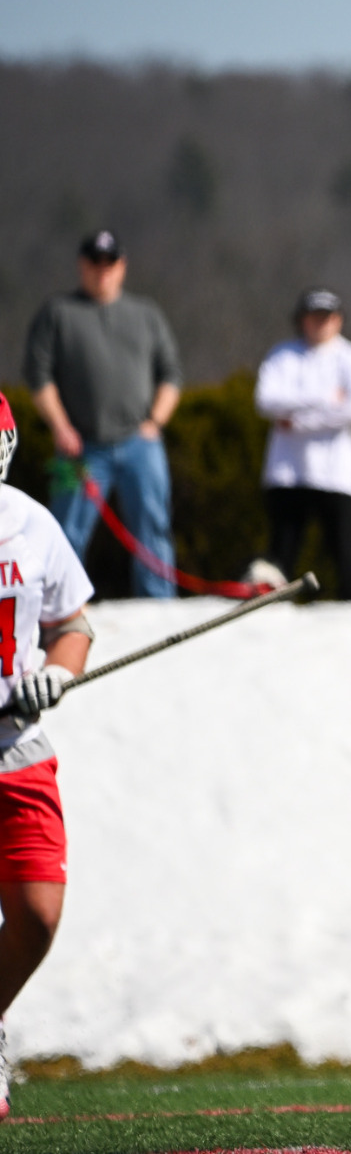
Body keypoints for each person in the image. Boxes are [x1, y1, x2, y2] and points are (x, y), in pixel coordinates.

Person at [0, 391, 95, 1118]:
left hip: (16, 749)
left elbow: (72, 625)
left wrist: (57, 674)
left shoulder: (30, 523)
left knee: (37, 911)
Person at [23, 230, 182, 599]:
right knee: (65, 531)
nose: (102, 271)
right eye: (95, 262)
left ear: (122, 266)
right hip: (80, 446)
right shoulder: (58, 313)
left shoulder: (146, 314)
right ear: (82, 265)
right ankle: (59, 605)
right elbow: (38, 375)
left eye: (110, 263)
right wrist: (61, 426)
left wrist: (155, 422)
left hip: (140, 443)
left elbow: (171, 374)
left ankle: (159, 605)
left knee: (153, 526)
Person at [254, 288, 351, 600]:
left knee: (343, 549)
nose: (320, 323)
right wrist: (325, 399)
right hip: (287, 469)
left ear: (338, 320)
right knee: (282, 548)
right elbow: (266, 400)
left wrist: (297, 420)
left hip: (334, 471)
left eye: (327, 317)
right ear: (302, 320)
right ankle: (273, 608)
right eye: (314, 317)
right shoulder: (282, 355)